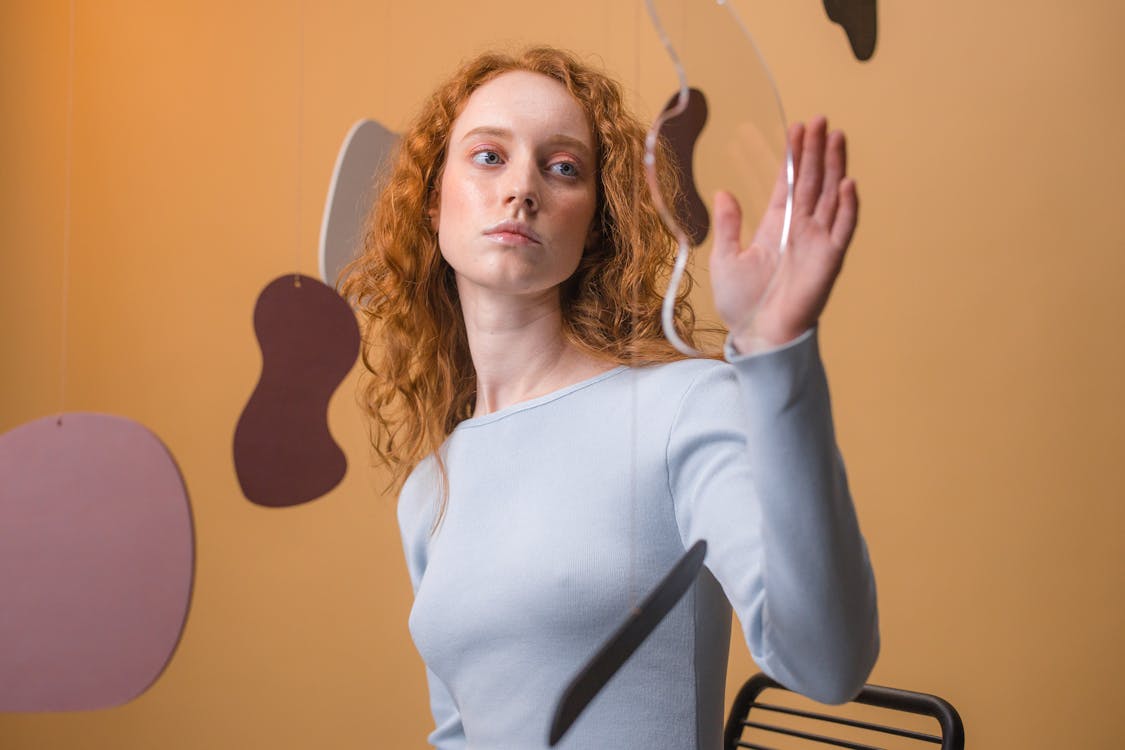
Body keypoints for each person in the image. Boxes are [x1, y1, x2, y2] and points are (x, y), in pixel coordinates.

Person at [342, 46, 878, 750]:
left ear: (593, 222)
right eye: (488, 157)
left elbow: (827, 663)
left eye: (562, 167)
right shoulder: (428, 488)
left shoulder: (682, 406)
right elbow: (460, 735)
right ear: (433, 199)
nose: (522, 189)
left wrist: (777, 354)